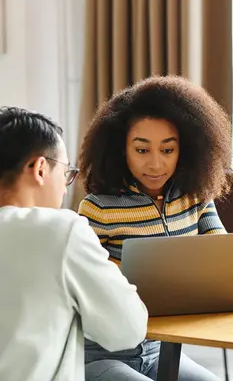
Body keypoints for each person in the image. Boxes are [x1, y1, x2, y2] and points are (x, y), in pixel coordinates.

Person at [77, 76, 233, 381]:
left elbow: (223, 256)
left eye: (167, 150)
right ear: (120, 148)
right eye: (141, 150)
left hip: (160, 351)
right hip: (101, 355)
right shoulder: (97, 207)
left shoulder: (196, 196)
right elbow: (86, 288)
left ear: (186, 149)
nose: (155, 165)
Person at [0, 106, 148, 381]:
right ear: (40, 168)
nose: (66, 186)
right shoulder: (60, 231)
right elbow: (128, 329)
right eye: (66, 172)